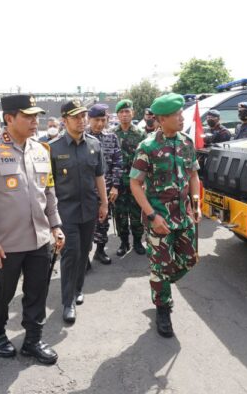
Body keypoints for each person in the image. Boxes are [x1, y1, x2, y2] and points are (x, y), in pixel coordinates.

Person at [0, 94, 64, 364]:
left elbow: (48, 192)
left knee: (37, 292)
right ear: (9, 118)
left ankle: (33, 339)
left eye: (37, 116)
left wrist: (56, 225)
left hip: (39, 239)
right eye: (28, 116)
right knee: (1, 294)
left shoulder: (41, 149)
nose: (35, 121)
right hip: (5, 242)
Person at [129, 93, 202, 338]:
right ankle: (163, 308)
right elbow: (135, 184)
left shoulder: (187, 142)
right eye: (176, 115)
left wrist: (196, 204)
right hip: (159, 218)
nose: (182, 118)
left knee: (190, 259)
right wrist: (152, 216)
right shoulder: (147, 147)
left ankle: (160, 286)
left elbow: (193, 175)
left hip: (184, 216)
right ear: (162, 119)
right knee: (160, 267)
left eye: (181, 113)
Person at [49, 100, 108, 323]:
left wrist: (104, 203)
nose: (81, 120)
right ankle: (68, 302)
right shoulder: (53, 148)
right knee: (70, 254)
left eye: (83, 116)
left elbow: (99, 176)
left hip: (89, 209)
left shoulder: (94, 144)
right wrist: (50, 216)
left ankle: (78, 288)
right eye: (75, 117)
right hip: (66, 211)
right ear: (64, 120)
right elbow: (48, 186)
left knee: (84, 252)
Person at [86, 104, 121, 267]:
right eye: (96, 120)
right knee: (86, 225)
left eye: (103, 120)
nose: (100, 124)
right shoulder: (81, 137)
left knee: (103, 222)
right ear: (89, 119)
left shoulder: (111, 137)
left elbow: (117, 162)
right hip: (86, 191)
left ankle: (100, 251)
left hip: (105, 190)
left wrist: (115, 186)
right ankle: (84, 257)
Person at [113, 99, 146, 256]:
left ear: (133, 113)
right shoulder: (112, 134)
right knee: (120, 214)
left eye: (127, 111)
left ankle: (138, 241)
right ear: (117, 115)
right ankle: (124, 242)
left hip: (136, 182)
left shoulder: (141, 134)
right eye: (121, 112)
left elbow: (146, 159)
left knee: (136, 213)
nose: (124, 114)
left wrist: (145, 181)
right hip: (118, 183)